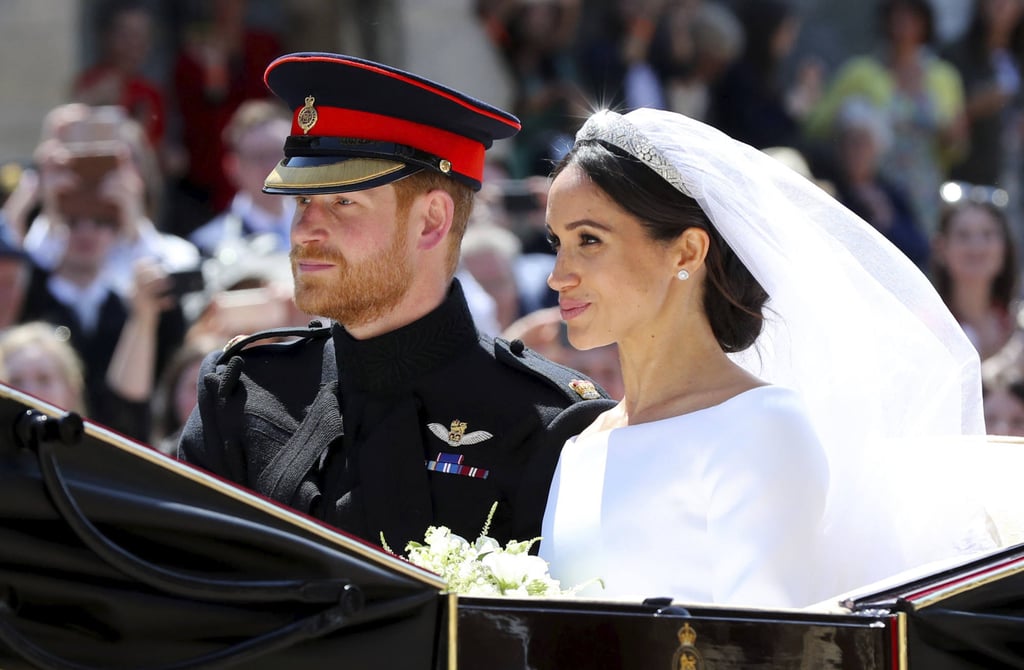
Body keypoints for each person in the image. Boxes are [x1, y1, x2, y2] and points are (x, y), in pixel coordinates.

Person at [538, 107, 995, 608]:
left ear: (687, 252)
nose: (558, 275)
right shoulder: (580, 446)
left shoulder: (759, 426)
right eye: (557, 242)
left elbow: (766, 647)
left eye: (589, 240)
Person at [177, 53, 615, 553]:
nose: (304, 231)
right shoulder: (243, 391)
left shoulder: (548, 423)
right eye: (301, 202)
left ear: (431, 220)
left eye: (342, 202)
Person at [931, 189, 1019, 362]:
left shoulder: (1016, 325)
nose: (977, 247)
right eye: (963, 236)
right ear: (941, 248)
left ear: (1005, 248)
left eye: (987, 235)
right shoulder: (928, 328)